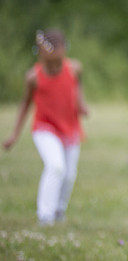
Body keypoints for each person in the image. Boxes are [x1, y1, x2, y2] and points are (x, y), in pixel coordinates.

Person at [3, 29, 89, 225]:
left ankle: (59, 210)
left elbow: (78, 85)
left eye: (57, 61)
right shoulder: (33, 77)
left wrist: (81, 104)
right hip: (45, 128)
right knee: (55, 166)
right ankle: (45, 215)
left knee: (69, 174)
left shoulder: (74, 68)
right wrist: (14, 135)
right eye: (48, 62)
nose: (53, 66)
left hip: (70, 128)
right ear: (40, 54)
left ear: (64, 52)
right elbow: (25, 105)